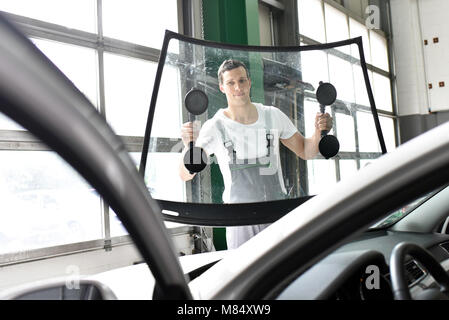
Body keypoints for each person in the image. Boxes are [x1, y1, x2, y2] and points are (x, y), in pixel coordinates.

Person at [179, 59, 332, 249]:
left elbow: (306, 151)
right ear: (221, 87)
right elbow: (186, 174)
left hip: (276, 216)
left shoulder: (273, 116)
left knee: (282, 272)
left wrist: (318, 131)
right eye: (231, 82)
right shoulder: (215, 126)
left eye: (242, 80)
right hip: (239, 222)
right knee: (245, 274)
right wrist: (188, 146)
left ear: (249, 82)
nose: (238, 87)